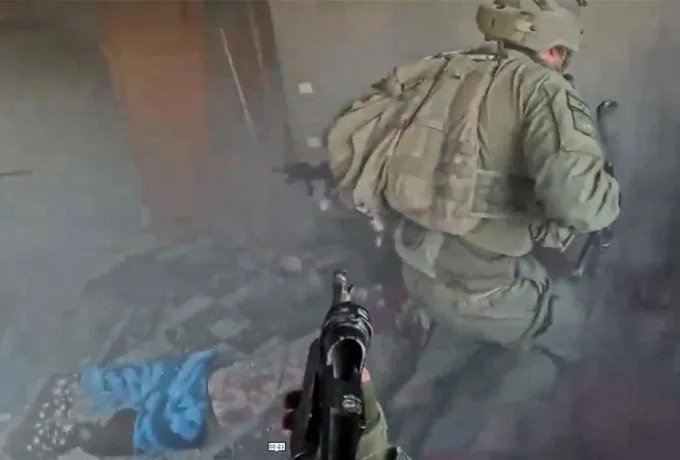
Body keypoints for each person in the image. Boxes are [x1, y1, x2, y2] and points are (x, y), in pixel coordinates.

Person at [324, 0, 621, 455]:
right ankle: (484, 431)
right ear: (557, 46)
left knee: (454, 336)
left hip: (421, 270)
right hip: (483, 286)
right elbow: (580, 204)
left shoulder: (447, 69)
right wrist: (610, 196)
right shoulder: (543, 89)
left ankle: (404, 410)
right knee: (578, 328)